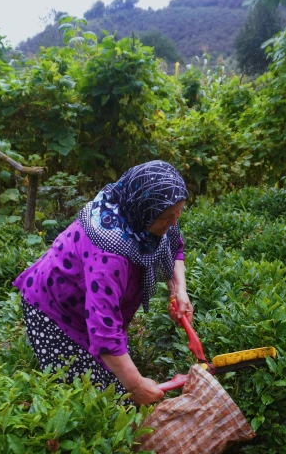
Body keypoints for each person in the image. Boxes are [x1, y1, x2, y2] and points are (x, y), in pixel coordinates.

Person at [13, 160, 193, 405]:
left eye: (178, 213)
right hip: (53, 311)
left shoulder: (151, 210)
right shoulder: (109, 254)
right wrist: (137, 386)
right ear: (143, 211)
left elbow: (174, 247)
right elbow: (105, 333)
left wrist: (178, 291)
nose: (174, 222)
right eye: (167, 217)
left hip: (93, 306)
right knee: (98, 401)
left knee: (116, 381)